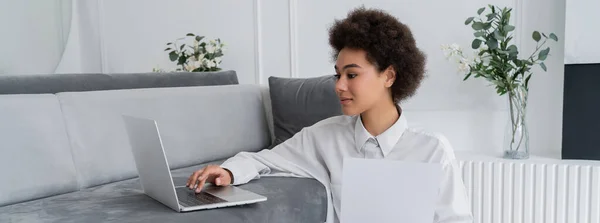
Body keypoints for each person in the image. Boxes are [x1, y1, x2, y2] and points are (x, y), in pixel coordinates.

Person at [186, 6, 473, 223]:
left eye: (352, 74)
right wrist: (227, 171)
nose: (339, 86)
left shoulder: (432, 149)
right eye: (337, 74)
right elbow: (263, 159)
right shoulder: (325, 137)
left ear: (389, 76)